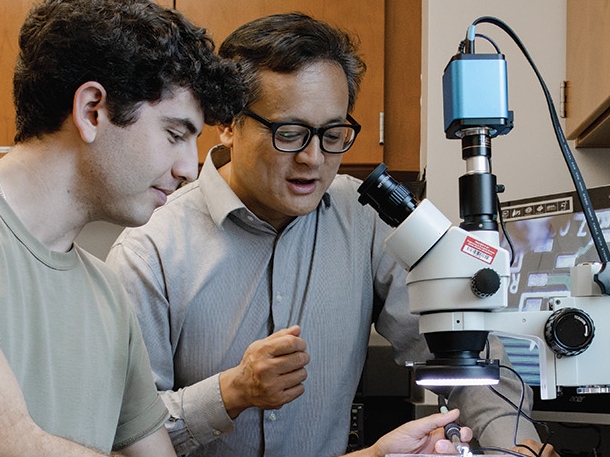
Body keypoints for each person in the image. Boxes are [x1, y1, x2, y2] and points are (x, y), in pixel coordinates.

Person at [106, 12, 553, 457]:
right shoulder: (150, 250)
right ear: (227, 123)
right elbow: (121, 432)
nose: (314, 158)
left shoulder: (364, 219)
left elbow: (467, 351)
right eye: (291, 133)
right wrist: (229, 393)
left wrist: (514, 446)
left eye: (334, 133)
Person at [0, 0, 243, 455]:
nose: (190, 169)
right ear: (93, 110)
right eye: (175, 134)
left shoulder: (108, 294)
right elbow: (15, 445)